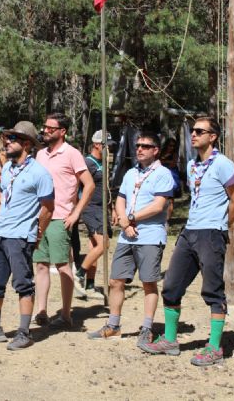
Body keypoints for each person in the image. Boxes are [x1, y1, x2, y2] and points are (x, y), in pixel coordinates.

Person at [142, 116, 234, 367]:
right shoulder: (192, 165)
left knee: (212, 290)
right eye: (193, 130)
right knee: (171, 285)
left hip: (211, 233)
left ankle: (214, 347)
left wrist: (221, 225)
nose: (194, 134)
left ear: (213, 137)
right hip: (190, 231)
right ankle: (170, 339)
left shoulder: (223, 164)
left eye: (200, 131)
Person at [0, 121, 54, 350]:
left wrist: (37, 233)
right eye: (7, 138)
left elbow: (48, 208)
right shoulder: (7, 168)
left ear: (26, 144)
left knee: (23, 284)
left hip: (20, 236)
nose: (6, 142)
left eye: (12, 139)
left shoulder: (40, 173)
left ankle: (24, 333)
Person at [87, 132, 173, 349]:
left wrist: (131, 218)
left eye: (146, 145)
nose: (140, 149)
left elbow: (159, 205)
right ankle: (113, 325)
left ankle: (146, 328)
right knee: (116, 280)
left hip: (150, 235)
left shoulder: (163, 173)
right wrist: (125, 223)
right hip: (127, 235)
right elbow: (120, 199)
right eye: (138, 145)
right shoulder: (130, 173)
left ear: (156, 150)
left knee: (148, 283)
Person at [33, 113, 95, 328]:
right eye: (45, 127)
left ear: (62, 131)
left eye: (51, 128)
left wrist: (76, 213)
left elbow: (89, 185)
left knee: (62, 265)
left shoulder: (72, 153)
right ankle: (41, 311)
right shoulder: (40, 154)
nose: (46, 131)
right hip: (40, 217)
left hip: (61, 218)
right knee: (40, 265)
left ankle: (66, 314)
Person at [73, 130, 114, 301]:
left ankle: (89, 285)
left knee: (94, 246)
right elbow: (76, 185)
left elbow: (106, 189)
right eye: (106, 146)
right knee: (103, 244)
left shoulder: (103, 162)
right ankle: (80, 274)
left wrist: (112, 210)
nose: (109, 150)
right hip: (90, 207)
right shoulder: (87, 163)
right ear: (97, 145)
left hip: (102, 207)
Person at [160, 138, 182, 225]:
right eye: (170, 145)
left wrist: (164, 161)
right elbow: (158, 161)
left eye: (173, 146)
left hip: (172, 176)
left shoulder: (175, 154)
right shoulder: (162, 153)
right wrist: (165, 159)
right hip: (162, 176)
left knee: (171, 199)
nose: (172, 147)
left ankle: (167, 220)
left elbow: (173, 163)